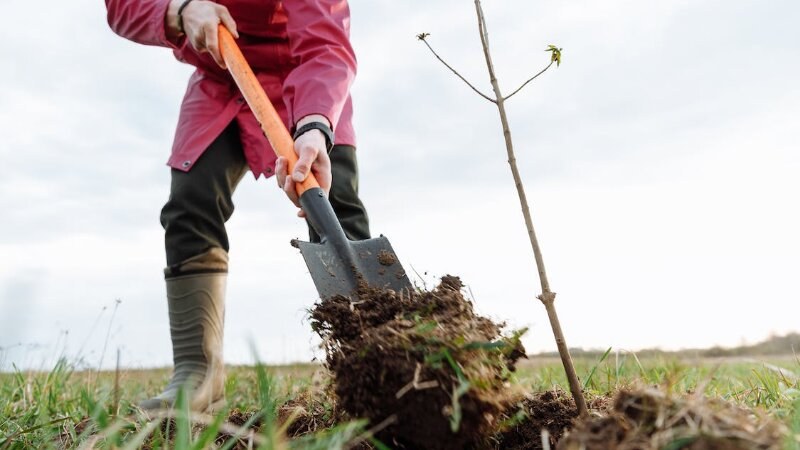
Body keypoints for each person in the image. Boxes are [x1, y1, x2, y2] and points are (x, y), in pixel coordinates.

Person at [105, 0, 370, 411]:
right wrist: (178, 10)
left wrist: (316, 123)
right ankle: (198, 375)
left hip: (303, 78)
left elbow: (324, 42)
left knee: (336, 209)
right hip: (221, 77)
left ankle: (372, 363)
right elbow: (122, 6)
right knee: (190, 203)